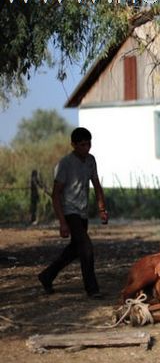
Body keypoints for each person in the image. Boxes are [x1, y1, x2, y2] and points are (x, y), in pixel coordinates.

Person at [37, 127, 108, 298]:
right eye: (82, 145)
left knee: (74, 251)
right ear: (73, 145)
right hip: (70, 212)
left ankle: (47, 276)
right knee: (86, 248)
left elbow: (97, 185)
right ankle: (92, 289)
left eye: (88, 144)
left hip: (82, 212)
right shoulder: (65, 164)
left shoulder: (91, 160)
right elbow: (56, 195)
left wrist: (101, 208)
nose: (86, 148)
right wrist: (62, 222)